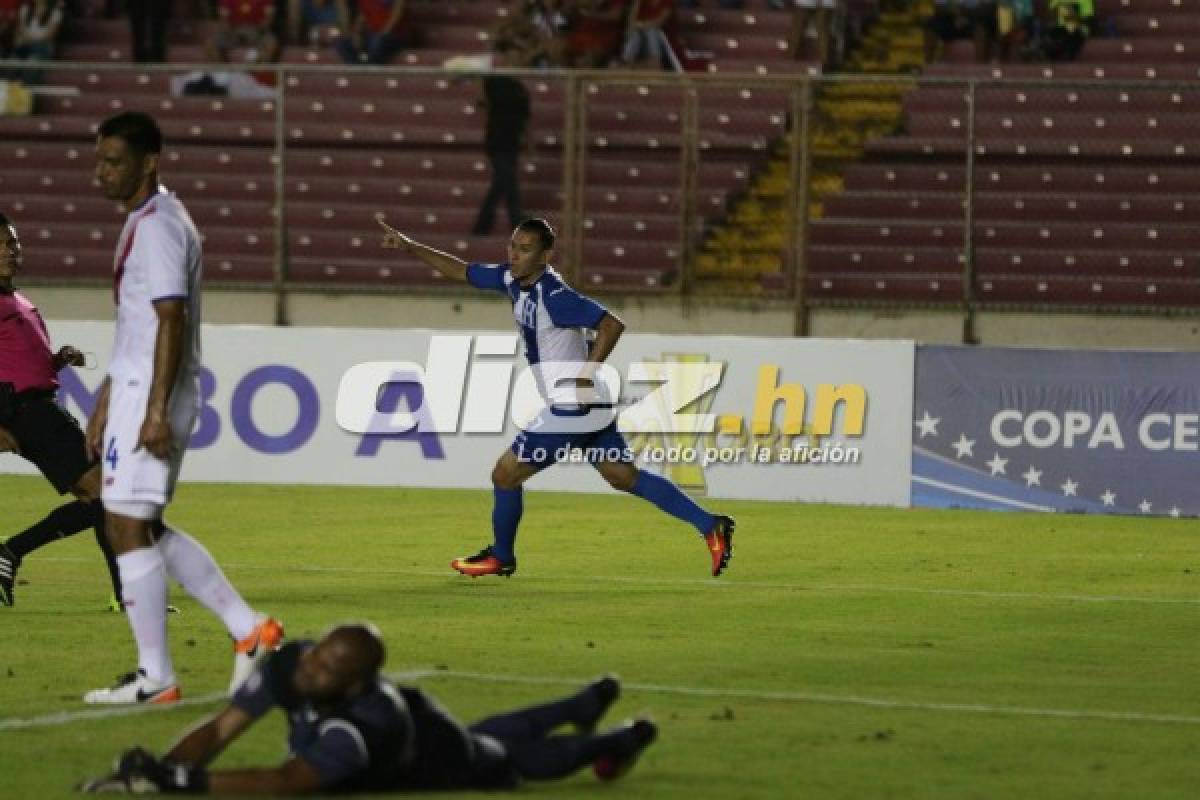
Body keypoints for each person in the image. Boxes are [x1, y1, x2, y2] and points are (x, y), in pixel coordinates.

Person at [377, 216, 735, 578]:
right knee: (623, 476)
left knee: (505, 474)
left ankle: (501, 556)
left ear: (545, 256)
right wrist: (410, 245)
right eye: (513, 246)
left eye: (525, 249)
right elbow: (462, 271)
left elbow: (612, 324)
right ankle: (710, 525)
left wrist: (586, 373)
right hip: (588, 403)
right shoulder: (512, 281)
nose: (514, 255)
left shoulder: (555, 296)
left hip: (573, 407)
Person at [82, 111, 283, 705]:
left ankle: (161, 675)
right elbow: (139, 325)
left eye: (114, 161)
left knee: (125, 523)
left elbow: (173, 317)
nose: (102, 173)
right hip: (137, 388)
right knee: (136, 523)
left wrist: (153, 409)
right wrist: (107, 396)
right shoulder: (145, 222)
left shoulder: (161, 227)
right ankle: (248, 635)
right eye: (98, 160)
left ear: (150, 162)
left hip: (155, 394)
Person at [82, 622, 657, 794]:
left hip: (433, 756)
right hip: (416, 717)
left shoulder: (362, 725)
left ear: (355, 683)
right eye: (315, 657)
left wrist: (184, 783)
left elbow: (288, 781)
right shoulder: (295, 667)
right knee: (491, 735)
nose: (310, 669)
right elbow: (222, 727)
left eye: (327, 668)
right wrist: (156, 768)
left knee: (508, 760)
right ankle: (582, 702)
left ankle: (613, 739)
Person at [0, 211, 123, 609]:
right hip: (26, 413)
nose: (11, 250)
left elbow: (19, 362)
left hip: (43, 407)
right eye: (2, 243)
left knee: (102, 499)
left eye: (14, 242)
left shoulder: (19, 300)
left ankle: (125, 595)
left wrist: (57, 360)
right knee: (108, 495)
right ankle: (13, 550)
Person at [470, 39, 531, 237]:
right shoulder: (494, 81)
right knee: (509, 183)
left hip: (512, 140)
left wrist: (529, 141)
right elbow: (481, 99)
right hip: (497, 138)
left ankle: (481, 226)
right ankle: (517, 224)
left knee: (500, 184)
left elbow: (525, 119)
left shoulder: (521, 88)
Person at [333, 0, 415, 65]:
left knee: (376, 42)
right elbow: (363, 16)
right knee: (341, 43)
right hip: (372, 35)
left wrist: (382, 34)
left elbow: (397, 14)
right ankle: (358, 68)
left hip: (394, 35)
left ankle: (368, 69)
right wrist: (356, 34)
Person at [206, 0, 281, 64]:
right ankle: (225, 72)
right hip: (233, 31)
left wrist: (257, 33)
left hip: (256, 31)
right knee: (210, 44)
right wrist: (232, 33)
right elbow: (224, 20)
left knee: (271, 44)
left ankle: (258, 73)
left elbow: (268, 18)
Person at [8, 0, 63, 84]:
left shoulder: (55, 12)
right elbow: (20, 30)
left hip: (41, 47)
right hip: (25, 46)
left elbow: (49, 35)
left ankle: (25, 91)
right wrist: (26, 39)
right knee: (11, 62)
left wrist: (30, 39)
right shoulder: (25, 9)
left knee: (31, 62)